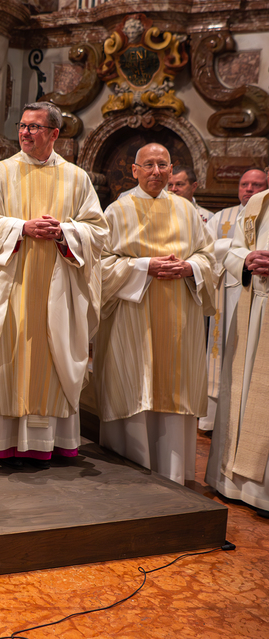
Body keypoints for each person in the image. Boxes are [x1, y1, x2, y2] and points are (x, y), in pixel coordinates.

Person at [0, 102, 107, 466]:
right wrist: (21, 227)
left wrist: (65, 232)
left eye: (34, 127)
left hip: (57, 290)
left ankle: (43, 443)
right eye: (22, 126)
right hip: (8, 287)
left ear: (54, 133)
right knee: (2, 359)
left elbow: (98, 231)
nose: (25, 132)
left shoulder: (77, 178)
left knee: (49, 361)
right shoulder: (0, 172)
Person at [95, 142, 215, 484]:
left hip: (179, 321)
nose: (156, 171)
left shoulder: (187, 211)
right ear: (134, 170)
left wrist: (190, 267)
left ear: (171, 168)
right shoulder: (116, 212)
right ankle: (129, 475)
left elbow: (209, 257)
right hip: (132, 320)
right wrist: (144, 266)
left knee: (174, 391)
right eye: (148, 164)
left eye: (163, 165)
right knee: (133, 386)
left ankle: (173, 477)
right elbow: (99, 266)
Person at [205, 184, 269, 517]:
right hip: (253, 303)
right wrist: (246, 258)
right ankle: (234, 483)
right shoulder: (259, 202)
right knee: (241, 394)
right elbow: (231, 248)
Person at [201, 169, 268, 431]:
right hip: (228, 288)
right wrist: (244, 257)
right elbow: (207, 248)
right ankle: (217, 421)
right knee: (227, 353)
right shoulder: (223, 216)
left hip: (255, 292)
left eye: (256, 184)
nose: (249, 189)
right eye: (244, 184)